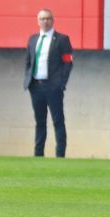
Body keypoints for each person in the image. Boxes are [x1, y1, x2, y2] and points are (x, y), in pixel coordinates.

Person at [23, 8, 73, 158]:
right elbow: (28, 62)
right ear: (38, 21)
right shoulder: (32, 39)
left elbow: (68, 63)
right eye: (42, 19)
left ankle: (60, 155)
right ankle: (38, 154)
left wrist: (61, 83)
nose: (45, 21)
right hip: (36, 87)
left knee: (58, 121)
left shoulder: (62, 39)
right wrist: (28, 80)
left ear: (53, 20)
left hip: (54, 87)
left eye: (48, 18)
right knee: (40, 122)